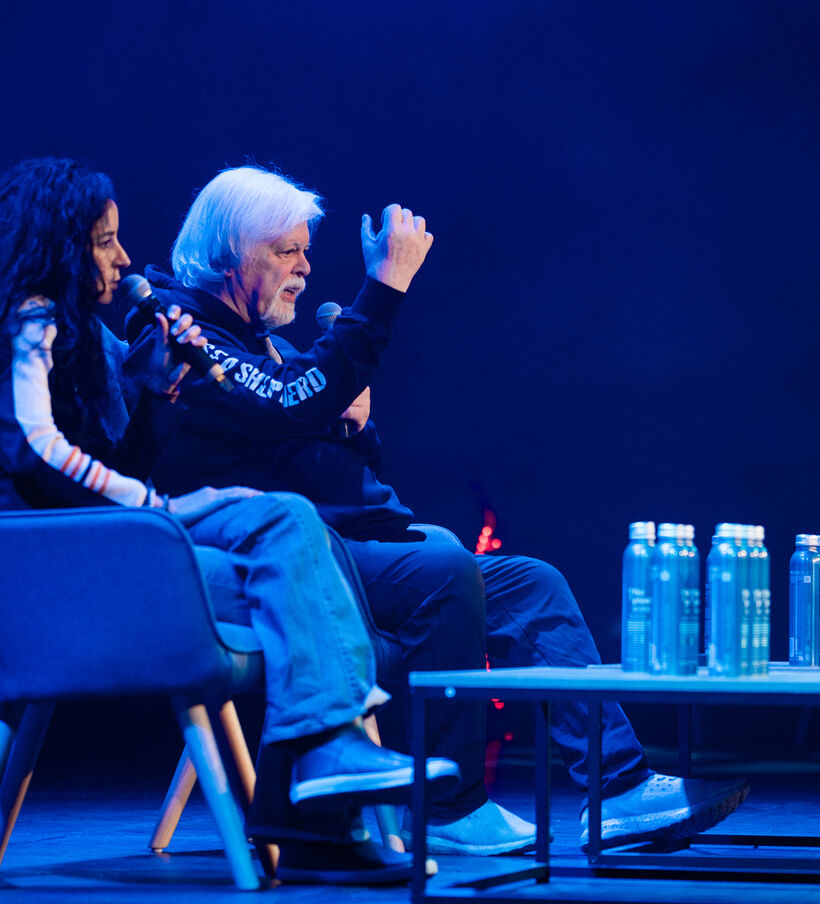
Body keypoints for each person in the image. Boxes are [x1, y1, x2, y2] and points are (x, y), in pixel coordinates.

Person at [124, 165, 749, 855]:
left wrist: (354, 425)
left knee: (533, 583)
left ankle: (618, 786)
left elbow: (323, 441)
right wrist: (384, 287)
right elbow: (290, 405)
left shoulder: (267, 345)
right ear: (228, 253)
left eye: (306, 250)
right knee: (443, 570)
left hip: (353, 544)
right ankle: (448, 806)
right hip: (283, 565)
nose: (304, 268)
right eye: (286, 251)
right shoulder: (182, 334)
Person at [0, 157, 456, 883]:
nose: (124, 258)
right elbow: (35, 453)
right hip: (45, 565)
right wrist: (155, 509)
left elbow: (102, 464)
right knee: (290, 541)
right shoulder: (28, 314)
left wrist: (158, 394)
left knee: (284, 518)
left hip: (89, 542)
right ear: (55, 245)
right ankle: (315, 792)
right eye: (105, 241)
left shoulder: (60, 328)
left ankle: (320, 785)